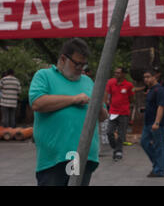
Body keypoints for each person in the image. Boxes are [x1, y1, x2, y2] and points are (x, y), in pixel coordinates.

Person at [28, 38, 108, 186]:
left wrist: (98, 107)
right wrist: (74, 99)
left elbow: (103, 117)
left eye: (84, 64)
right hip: (55, 158)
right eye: (77, 63)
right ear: (63, 58)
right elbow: (37, 103)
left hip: (83, 156)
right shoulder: (44, 76)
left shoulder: (87, 82)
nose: (80, 68)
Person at [140, 69, 164, 177]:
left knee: (159, 146)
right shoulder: (151, 90)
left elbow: (161, 107)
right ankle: (157, 164)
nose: (146, 79)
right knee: (144, 142)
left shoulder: (159, 90)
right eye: (144, 77)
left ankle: (159, 170)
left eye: (148, 77)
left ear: (154, 77)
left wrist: (157, 122)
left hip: (157, 124)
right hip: (148, 122)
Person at [104, 67, 135, 161]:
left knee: (121, 134)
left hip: (124, 112)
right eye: (115, 72)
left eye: (118, 73)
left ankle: (118, 151)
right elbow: (107, 94)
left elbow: (132, 99)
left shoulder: (129, 85)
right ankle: (115, 147)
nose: (116, 74)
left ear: (123, 74)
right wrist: (106, 103)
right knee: (109, 132)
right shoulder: (110, 82)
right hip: (113, 111)